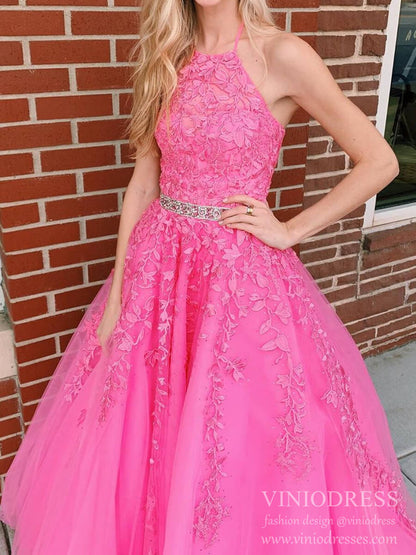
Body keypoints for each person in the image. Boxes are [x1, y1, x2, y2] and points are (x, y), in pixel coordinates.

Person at [1, 0, 416, 553]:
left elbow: (381, 161)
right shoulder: (168, 53)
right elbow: (143, 183)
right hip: (156, 273)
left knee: (233, 430)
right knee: (142, 424)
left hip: (236, 284)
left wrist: (291, 229)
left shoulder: (283, 55)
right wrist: (119, 294)